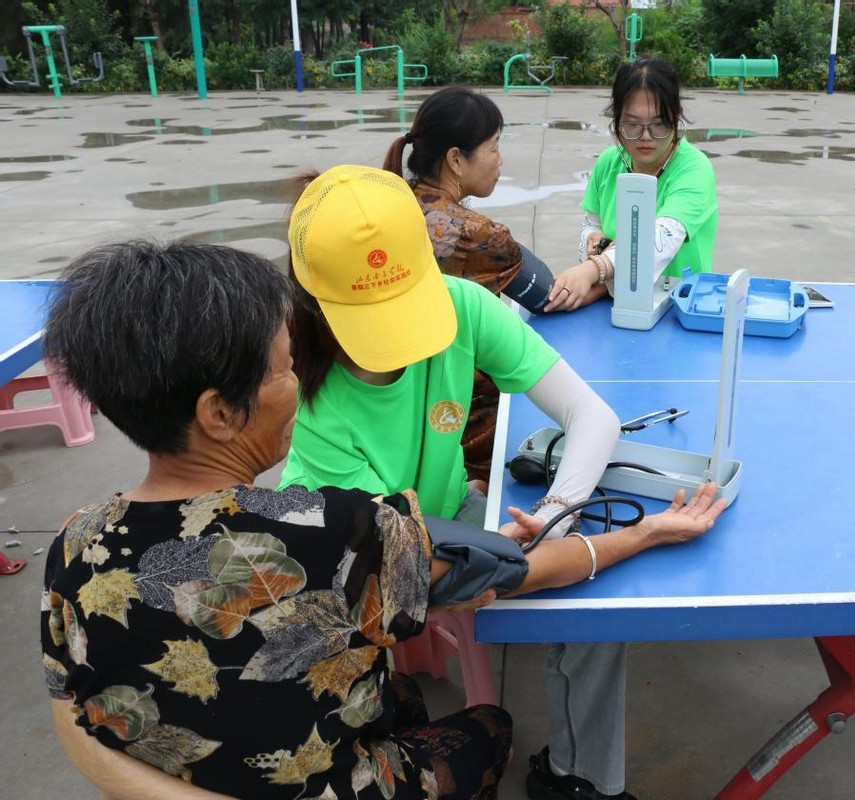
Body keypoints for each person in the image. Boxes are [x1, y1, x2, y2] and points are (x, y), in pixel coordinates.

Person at [39, 239, 727, 800]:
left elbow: (73, 701)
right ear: (220, 413)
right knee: (488, 726)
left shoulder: (72, 545)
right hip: (337, 785)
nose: (300, 386)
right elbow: (527, 569)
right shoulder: (336, 533)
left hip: (182, 771)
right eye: (285, 370)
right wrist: (643, 532)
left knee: (396, 690)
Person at [279, 164, 656, 800]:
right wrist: (544, 556)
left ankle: (580, 780)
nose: (400, 342)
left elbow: (594, 417)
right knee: (581, 566)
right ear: (316, 305)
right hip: (369, 563)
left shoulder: (459, 307)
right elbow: (409, 566)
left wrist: (556, 513)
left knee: (594, 609)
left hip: (453, 518)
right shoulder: (306, 406)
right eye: (375, 319)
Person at [382, 86, 557, 486]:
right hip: (467, 429)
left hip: (397, 413)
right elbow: (549, 294)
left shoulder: (391, 206)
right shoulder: (479, 235)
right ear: (456, 160)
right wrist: (601, 270)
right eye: (494, 146)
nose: (500, 159)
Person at [544, 56, 719, 313]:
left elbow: (662, 238)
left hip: (680, 309)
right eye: (632, 125)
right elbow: (591, 224)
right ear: (616, 119)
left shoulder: (694, 169)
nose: (645, 137)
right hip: (615, 303)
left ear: (677, 117)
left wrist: (597, 268)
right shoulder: (608, 163)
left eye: (659, 124)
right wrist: (593, 241)